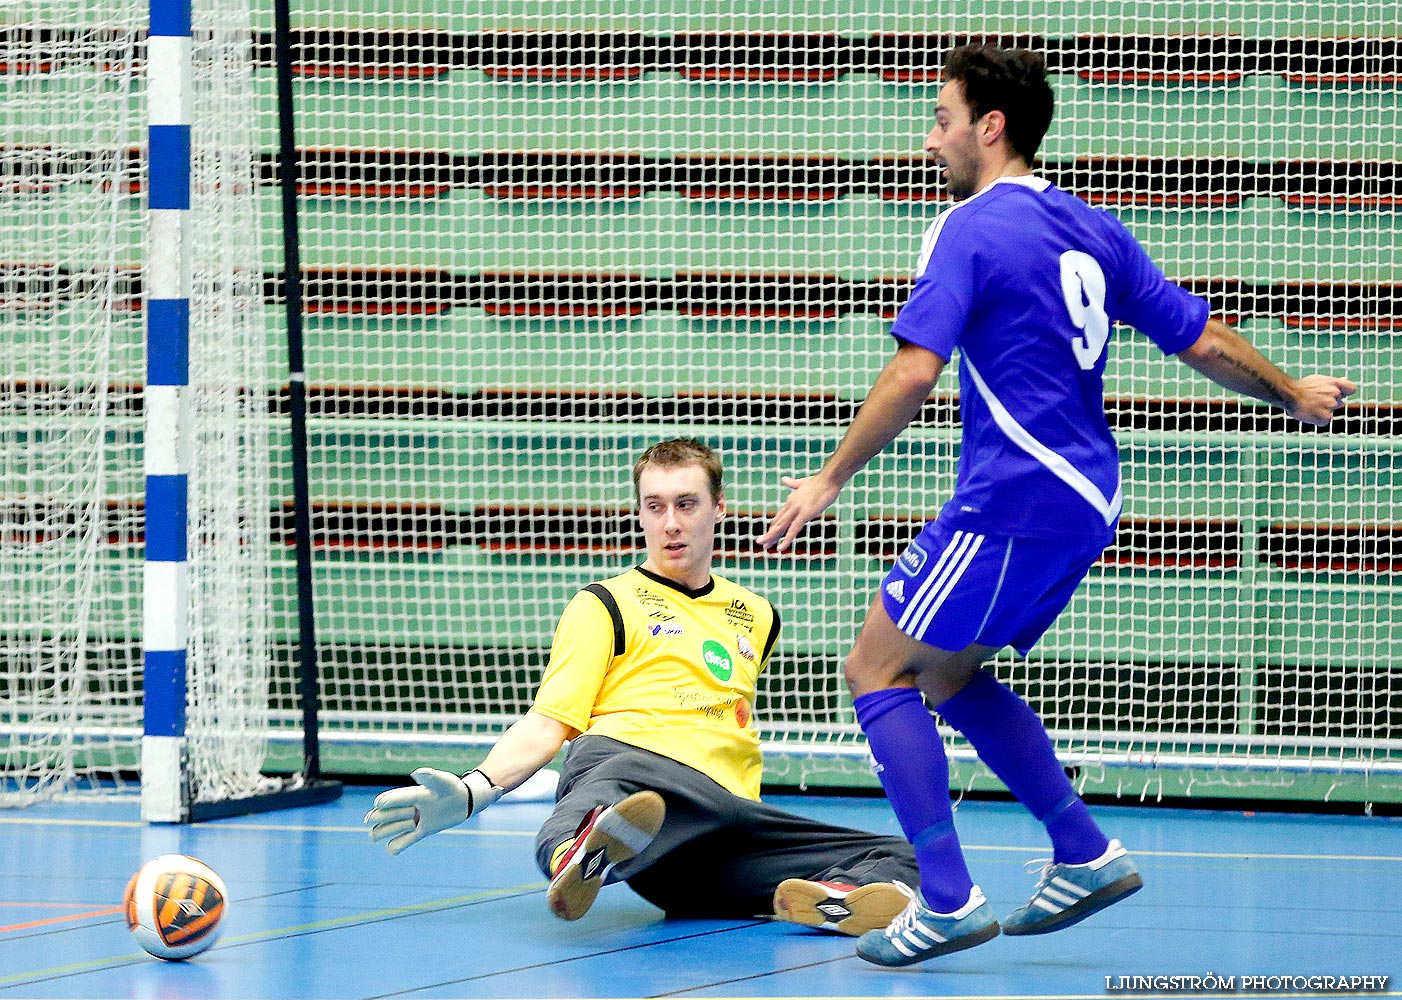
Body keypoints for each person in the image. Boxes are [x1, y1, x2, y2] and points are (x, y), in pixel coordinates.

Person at [758, 43, 1357, 968]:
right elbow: (1197, 337)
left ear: (990, 128)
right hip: (1090, 498)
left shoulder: (966, 228)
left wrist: (830, 477)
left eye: (944, 119)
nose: (932, 140)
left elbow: (917, 367)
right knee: (950, 675)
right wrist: (1293, 392)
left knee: (875, 668)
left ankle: (948, 899)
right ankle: (1083, 850)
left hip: (1013, 497)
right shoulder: (1094, 227)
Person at [365, 437, 920, 936]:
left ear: (718, 509)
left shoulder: (757, 615)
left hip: (720, 823)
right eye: (655, 507)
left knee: (901, 855)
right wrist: (474, 790)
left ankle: (833, 898)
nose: (671, 522)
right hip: (636, 772)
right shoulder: (603, 603)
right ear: (640, 515)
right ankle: (577, 854)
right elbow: (548, 721)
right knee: (613, 780)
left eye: (686, 504)